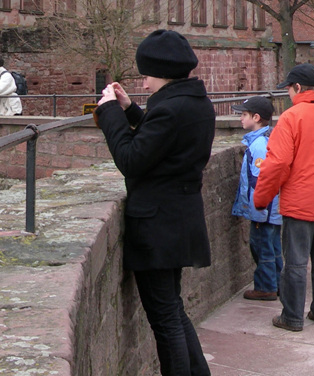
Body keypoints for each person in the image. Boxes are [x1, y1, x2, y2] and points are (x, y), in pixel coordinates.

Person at [95, 30, 215, 375]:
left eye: (146, 76)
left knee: (165, 321)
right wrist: (129, 109)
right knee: (174, 310)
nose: (144, 84)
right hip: (179, 217)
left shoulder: (173, 109)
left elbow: (132, 158)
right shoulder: (193, 101)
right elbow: (162, 140)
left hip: (159, 223)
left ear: (162, 72)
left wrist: (108, 113)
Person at [253, 64, 314, 331]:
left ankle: (292, 316)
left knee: (295, 262)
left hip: (298, 201)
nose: (287, 94)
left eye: (288, 89)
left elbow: (277, 164)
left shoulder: (291, 117)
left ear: (297, 87)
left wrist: (261, 198)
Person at [229, 96, 286, 301]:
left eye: (244, 115)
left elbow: (260, 179)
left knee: (262, 247)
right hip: (270, 207)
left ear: (256, 117)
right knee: (273, 247)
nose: (241, 119)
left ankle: (266, 286)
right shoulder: (264, 140)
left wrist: (258, 207)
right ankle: (278, 284)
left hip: (264, 208)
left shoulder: (259, 144)